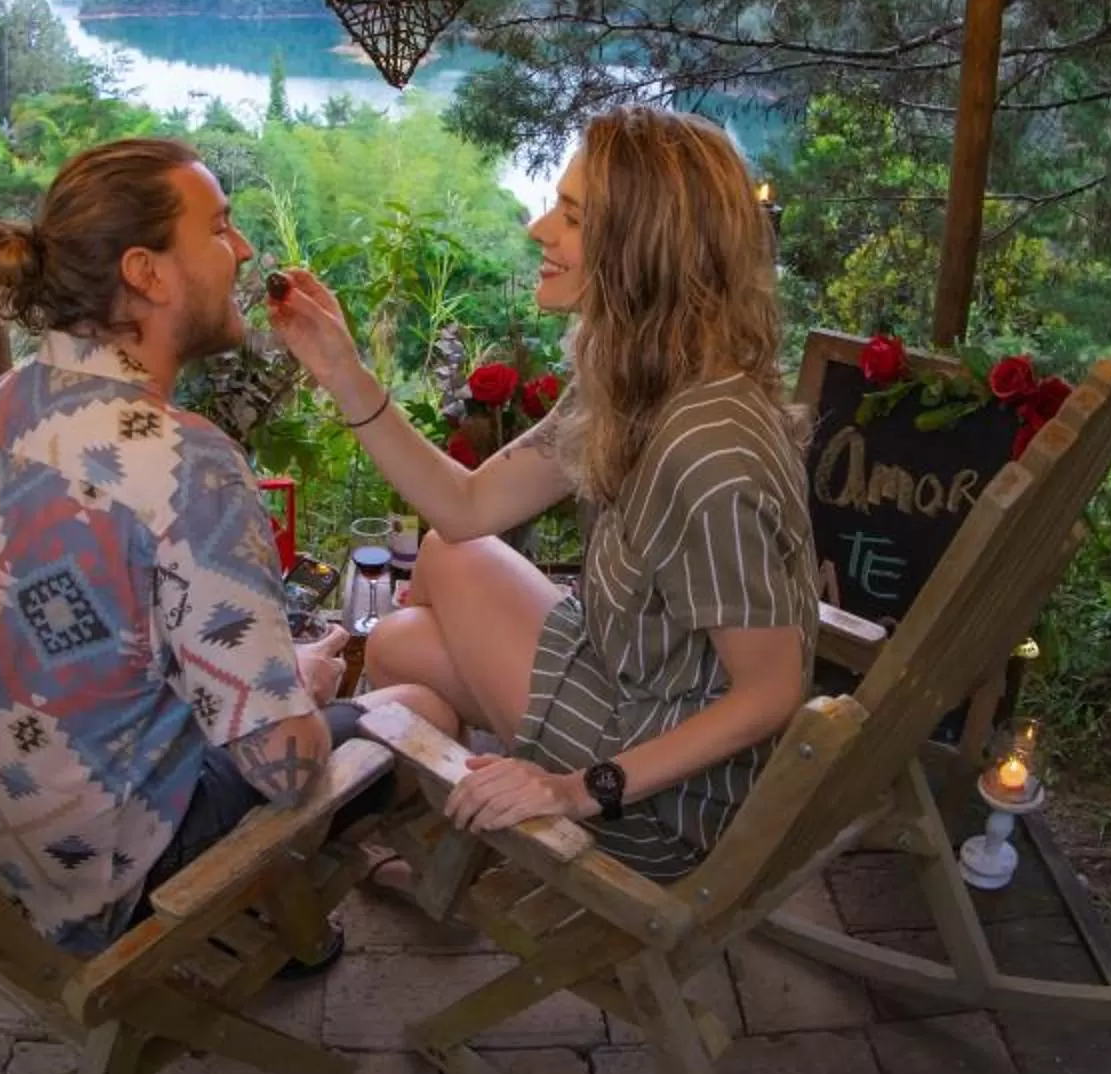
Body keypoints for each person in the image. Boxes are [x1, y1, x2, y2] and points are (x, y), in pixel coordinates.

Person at [0, 136, 449, 957]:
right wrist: (300, 692)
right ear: (146, 273)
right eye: (221, 228)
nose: (245, 250)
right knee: (420, 713)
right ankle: (285, 922)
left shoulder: (1, 402)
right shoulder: (190, 464)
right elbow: (285, 769)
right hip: (96, 886)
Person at [265, 106, 813, 879]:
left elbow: (771, 693)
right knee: (402, 629)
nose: (537, 229)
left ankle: (450, 833)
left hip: (667, 798)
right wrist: (340, 370)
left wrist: (577, 791)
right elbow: (467, 506)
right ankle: (449, 847)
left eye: (573, 217)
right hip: (623, 675)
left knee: (414, 630)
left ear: (643, 249)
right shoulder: (637, 376)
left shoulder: (709, 451)